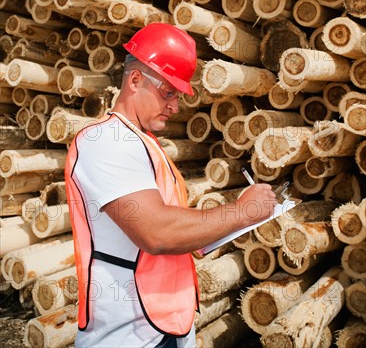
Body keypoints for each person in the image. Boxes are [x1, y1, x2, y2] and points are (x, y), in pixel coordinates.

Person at [65, 23, 277, 348]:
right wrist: (243, 211)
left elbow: (173, 228)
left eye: (178, 96)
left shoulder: (142, 143)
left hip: (164, 327)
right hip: (126, 336)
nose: (175, 107)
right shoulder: (105, 140)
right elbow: (157, 233)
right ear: (135, 80)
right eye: (168, 92)